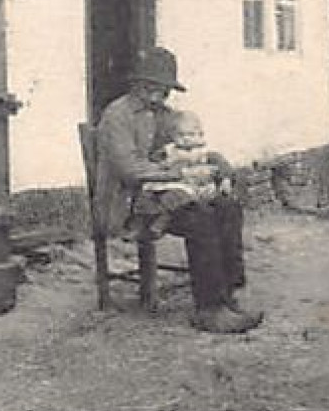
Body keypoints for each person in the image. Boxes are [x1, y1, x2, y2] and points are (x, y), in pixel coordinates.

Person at [91, 47, 261, 334]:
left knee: (227, 206)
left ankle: (227, 293)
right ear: (139, 85)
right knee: (200, 219)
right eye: (156, 89)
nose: (162, 96)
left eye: (166, 90)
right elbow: (129, 170)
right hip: (129, 203)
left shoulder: (167, 115)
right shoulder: (117, 115)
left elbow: (190, 146)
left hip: (166, 198)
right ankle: (209, 310)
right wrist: (179, 173)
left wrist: (217, 164)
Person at [140, 109, 234, 237]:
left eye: (191, 134)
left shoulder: (206, 152)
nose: (185, 139)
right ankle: (154, 219)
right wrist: (162, 164)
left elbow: (223, 165)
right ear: (172, 136)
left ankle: (162, 220)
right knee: (170, 196)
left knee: (195, 200)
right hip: (177, 184)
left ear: (200, 135)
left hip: (198, 187)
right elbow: (153, 162)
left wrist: (225, 179)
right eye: (180, 135)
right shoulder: (168, 151)